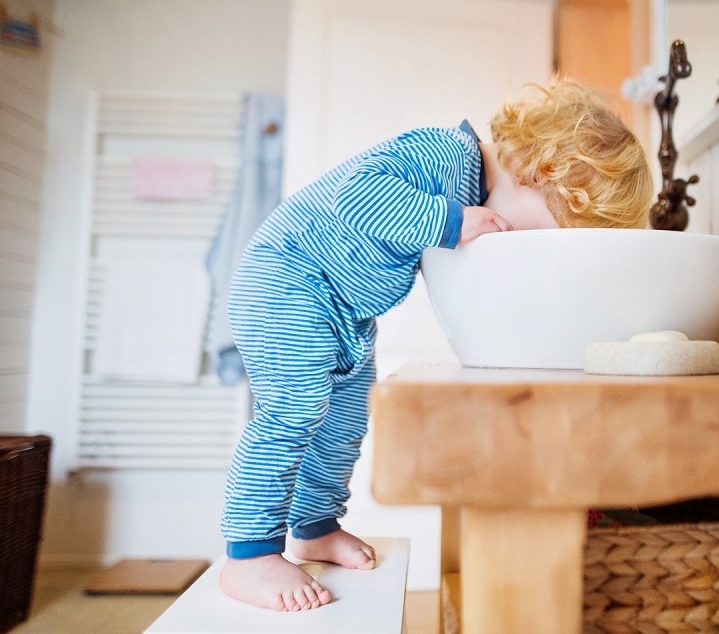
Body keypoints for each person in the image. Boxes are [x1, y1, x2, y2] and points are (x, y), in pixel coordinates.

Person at [218, 78, 653, 611]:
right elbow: (357, 195)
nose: (514, 240)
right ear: (538, 173)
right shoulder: (444, 154)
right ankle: (248, 554)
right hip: (287, 279)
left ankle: (314, 526)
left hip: (344, 308)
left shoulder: (474, 190)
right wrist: (451, 220)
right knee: (296, 406)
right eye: (531, 230)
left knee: (346, 421)